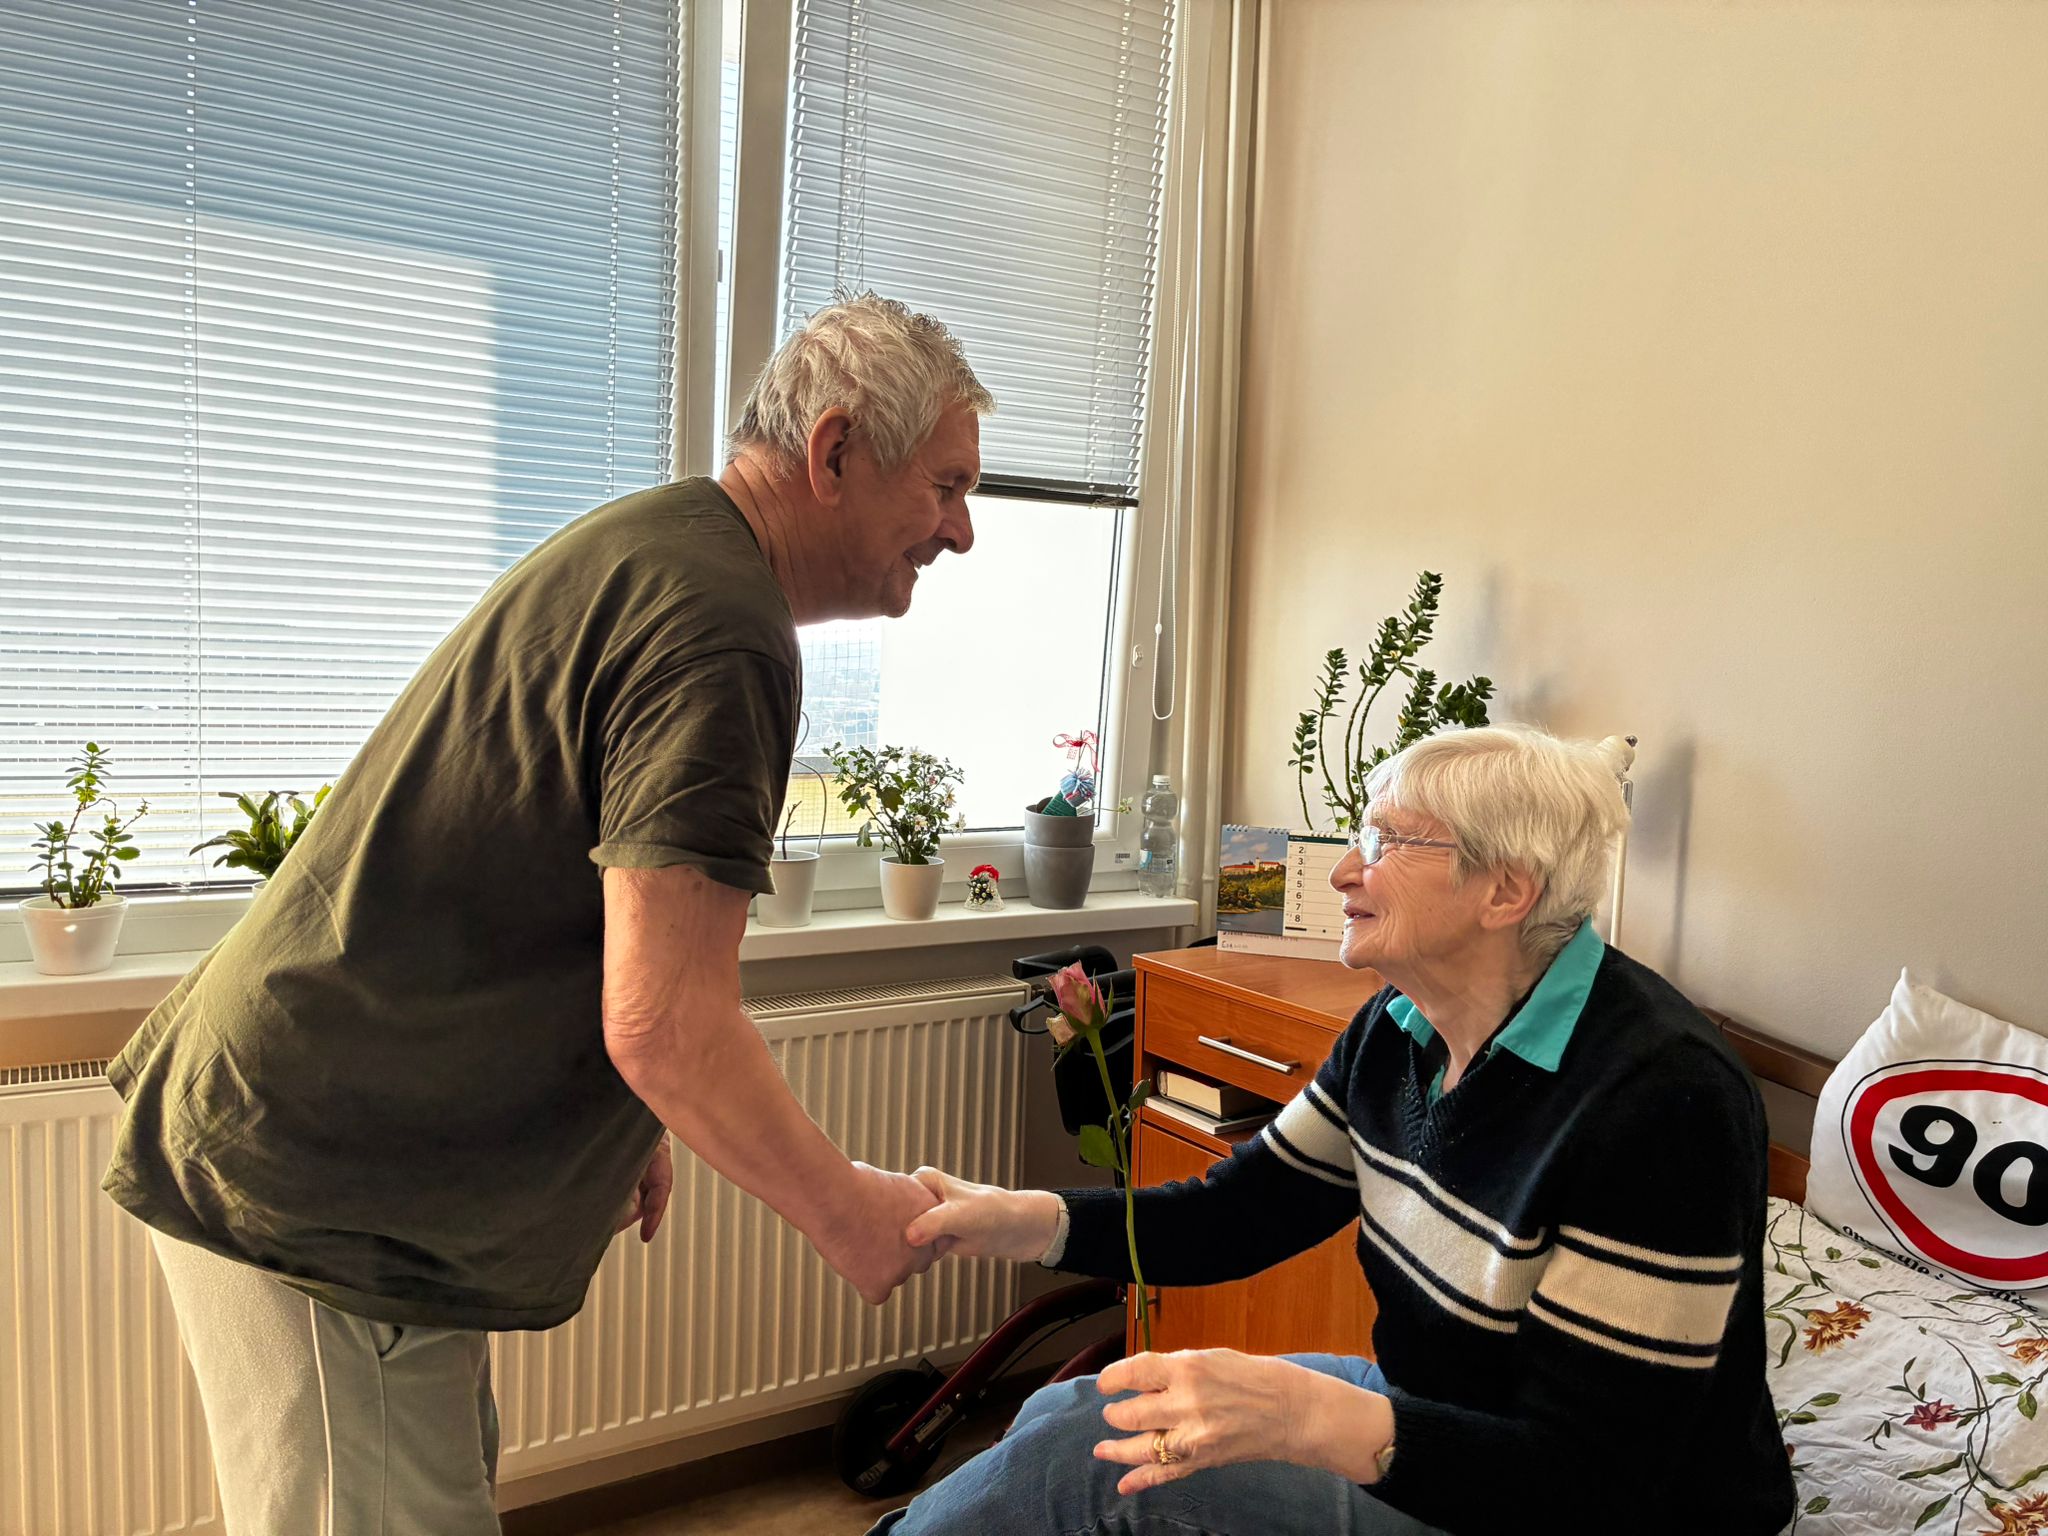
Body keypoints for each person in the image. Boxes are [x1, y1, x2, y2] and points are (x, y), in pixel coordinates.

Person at [101, 293, 991, 1534]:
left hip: (333, 1143)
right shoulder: (719, 628)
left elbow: (546, 876)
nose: (961, 533)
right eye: (945, 488)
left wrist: (628, 1115)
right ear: (833, 451)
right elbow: (668, 1022)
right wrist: (850, 1215)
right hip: (327, 1184)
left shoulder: (663, 547)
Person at [881, 725, 1796, 1535]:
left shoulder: (1662, 1101)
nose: (1343, 872)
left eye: (1388, 842)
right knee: (1075, 1410)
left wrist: (1304, 1418)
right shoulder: (1397, 1029)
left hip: (1572, 1506)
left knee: (1079, 1462)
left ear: (1506, 891)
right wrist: (1020, 1220)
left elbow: (1592, 1485)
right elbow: (1236, 1214)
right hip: (1440, 1418)